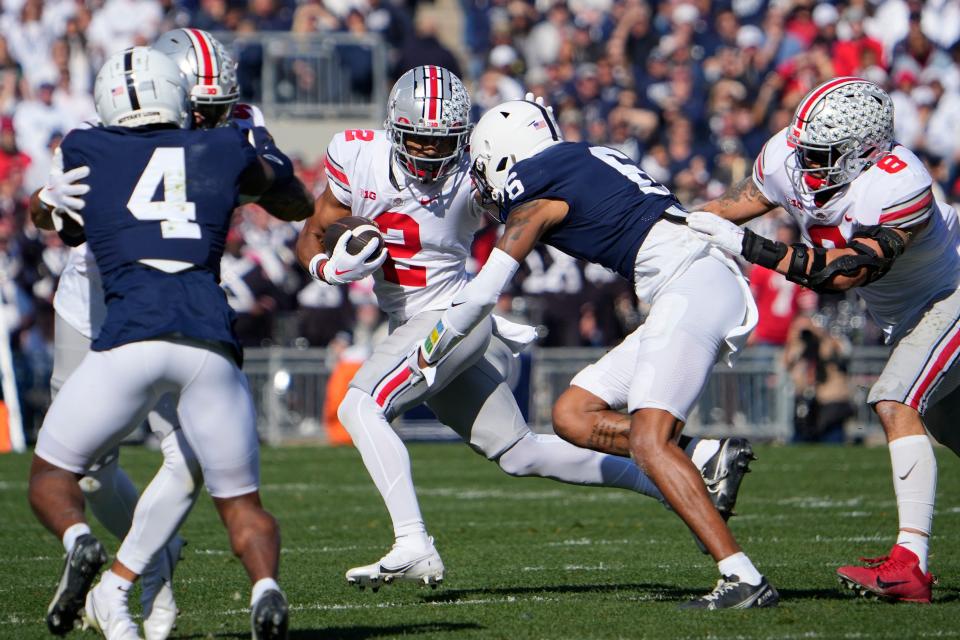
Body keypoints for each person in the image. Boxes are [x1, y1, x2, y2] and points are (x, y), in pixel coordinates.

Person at [296, 67, 749, 591]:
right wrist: (329, 267)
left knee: (359, 405)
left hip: (449, 321)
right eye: (417, 139)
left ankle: (412, 541)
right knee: (520, 453)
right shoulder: (356, 153)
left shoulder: (475, 178)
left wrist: (538, 131)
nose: (427, 154)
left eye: (441, 142)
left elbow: (539, 195)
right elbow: (313, 232)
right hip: (415, 323)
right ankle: (685, 472)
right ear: (394, 128)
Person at [413, 99, 776, 609]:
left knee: (650, 442)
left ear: (500, 155)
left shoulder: (535, 186)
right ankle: (699, 454)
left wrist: (427, 350)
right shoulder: (579, 156)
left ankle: (742, 578)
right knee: (573, 415)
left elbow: (480, 292)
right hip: (689, 280)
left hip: (691, 281)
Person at [28, 46, 310, 640]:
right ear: (169, 94)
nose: (206, 120)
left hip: (148, 314)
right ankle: (151, 563)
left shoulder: (225, 133)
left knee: (184, 458)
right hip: (106, 303)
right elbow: (59, 219)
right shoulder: (132, 142)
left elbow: (287, 201)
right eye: (198, 108)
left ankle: (129, 581)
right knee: (92, 470)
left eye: (216, 109)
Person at [688, 76, 959, 603]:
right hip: (906, 315)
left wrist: (751, 246)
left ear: (866, 153)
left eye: (824, 154)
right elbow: (724, 209)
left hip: (950, 293)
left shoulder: (900, 185)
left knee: (894, 399)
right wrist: (659, 225)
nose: (807, 164)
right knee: (952, 428)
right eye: (805, 149)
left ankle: (910, 565)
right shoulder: (787, 157)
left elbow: (845, 274)